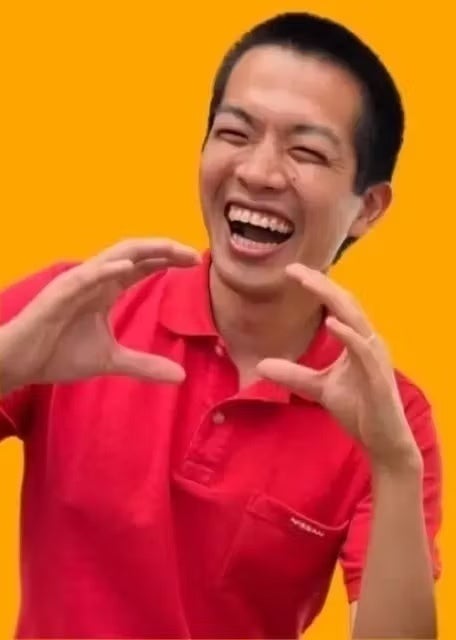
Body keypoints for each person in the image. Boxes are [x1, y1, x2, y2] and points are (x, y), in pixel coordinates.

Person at [0, 11, 441, 640]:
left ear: (368, 207)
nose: (258, 172)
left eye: (307, 151)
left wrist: (393, 465)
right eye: (235, 133)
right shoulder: (81, 305)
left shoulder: (390, 417)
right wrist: (6, 365)